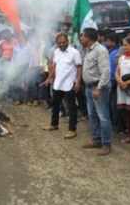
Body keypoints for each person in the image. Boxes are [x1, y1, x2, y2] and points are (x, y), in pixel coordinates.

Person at [42, 33, 82, 139]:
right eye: (59, 43)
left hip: (69, 84)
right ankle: (54, 124)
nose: (62, 44)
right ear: (57, 43)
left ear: (67, 41)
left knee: (71, 107)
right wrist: (49, 78)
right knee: (55, 105)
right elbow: (55, 67)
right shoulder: (56, 52)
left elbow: (79, 67)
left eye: (64, 42)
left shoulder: (75, 52)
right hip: (58, 83)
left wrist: (78, 82)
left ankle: (72, 130)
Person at [81, 28, 112, 156]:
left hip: (98, 87)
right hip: (89, 87)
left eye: (82, 36)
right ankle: (96, 140)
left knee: (103, 117)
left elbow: (105, 71)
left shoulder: (100, 50)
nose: (81, 38)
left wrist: (98, 88)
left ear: (88, 38)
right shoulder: (88, 50)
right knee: (92, 115)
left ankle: (106, 144)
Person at [105, 32, 123, 132]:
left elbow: (114, 69)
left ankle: (117, 125)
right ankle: (115, 124)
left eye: (107, 41)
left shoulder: (116, 53)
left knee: (114, 104)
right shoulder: (110, 52)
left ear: (113, 42)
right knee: (112, 104)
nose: (105, 42)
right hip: (111, 81)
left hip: (114, 81)